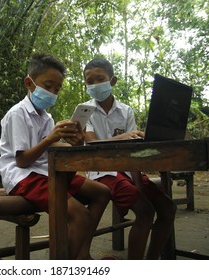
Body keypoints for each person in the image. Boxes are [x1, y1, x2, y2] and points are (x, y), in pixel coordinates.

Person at [0, 53, 111, 260]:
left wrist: (71, 142)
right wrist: (51, 139)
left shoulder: (46, 116)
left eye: (56, 89)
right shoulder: (17, 114)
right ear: (29, 83)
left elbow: (53, 146)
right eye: (47, 86)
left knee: (102, 192)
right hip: (22, 177)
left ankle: (80, 252)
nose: (52, 93)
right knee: (80, 215)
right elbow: (22, 160)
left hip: (45, 172)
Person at [80, 57, 177, 259]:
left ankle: (151, 261)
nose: (95, 84)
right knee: (145, 211)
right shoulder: (85, 110)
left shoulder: (126, 111)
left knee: (168, 209)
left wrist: (138, 181)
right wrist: (122, 136)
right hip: (102, 172)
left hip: (127, 170)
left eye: (100, 78)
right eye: (90, 81)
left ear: (112, 81)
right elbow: (90, 143)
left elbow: (132, 150)